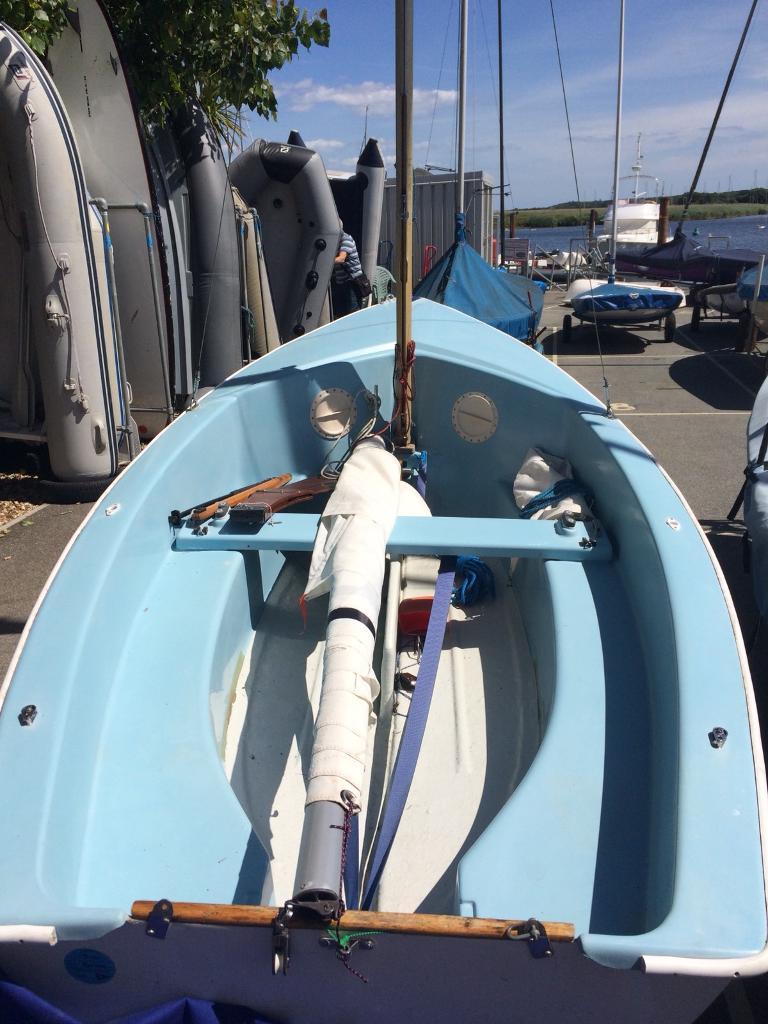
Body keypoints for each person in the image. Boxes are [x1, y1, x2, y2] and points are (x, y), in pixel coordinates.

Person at [331, 227, 367, 318]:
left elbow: (341, 258)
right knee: (342, 311)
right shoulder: (337, 241)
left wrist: (326, 260)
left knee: (353, 311)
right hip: (341, 281)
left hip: (351, 281)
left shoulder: (346, 239)